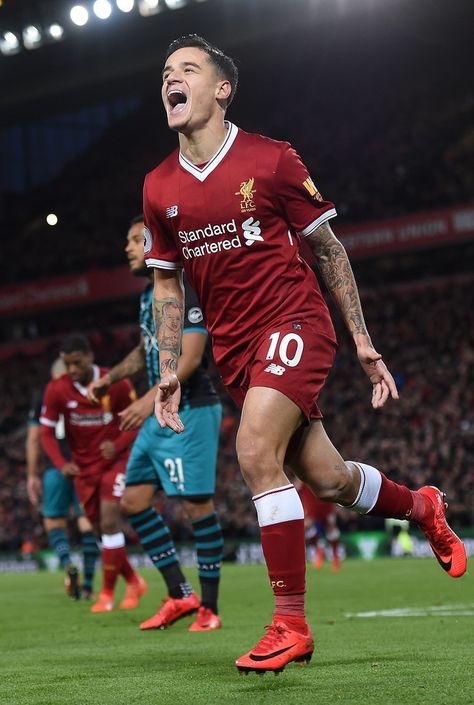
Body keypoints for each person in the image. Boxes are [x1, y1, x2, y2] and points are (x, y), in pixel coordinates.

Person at [143, 35, 467, 674]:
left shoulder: (271, 160)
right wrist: (167, 372)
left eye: (187, 69)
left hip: (295, 321)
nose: (170, 80)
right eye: (164, 73)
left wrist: (363, 342)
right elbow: (164, 284)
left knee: (255, 451)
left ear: (221, 88)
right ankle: (423, 505)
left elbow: (330, 251)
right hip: (236, 351)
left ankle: (290, 622)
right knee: (328, 478)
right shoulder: (157, 187)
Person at [88, 215, 223, 632]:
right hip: (159, 409)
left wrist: (148, 401)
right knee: (133, 501)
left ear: (153, 242)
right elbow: (145, 346)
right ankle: (181, 595)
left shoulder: (183, 288)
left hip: (190, 408)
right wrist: (111, 377)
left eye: (134, 240)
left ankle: (210, 609)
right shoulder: (149, 297)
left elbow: (192, 356)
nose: (128, 248)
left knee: (196, 505)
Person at [39, 334, 147, 613]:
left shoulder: (116, 383)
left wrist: (118, 444)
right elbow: (46, 432)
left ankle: (106, 594)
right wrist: (61, 463)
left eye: (77, 362)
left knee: (111, 521)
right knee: (100, 531)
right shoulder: (56, 389)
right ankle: (134, 581)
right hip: (83, 470)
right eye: (67, 364)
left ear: (89, 356)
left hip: (115, 463)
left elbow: (135, 422)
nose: (72, 369)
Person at [26, 357, 100, 599]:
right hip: (83, 465)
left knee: (54, 521)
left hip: (55, 467)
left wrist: (31, 475)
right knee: (86, 522)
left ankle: (68, 562)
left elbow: (35, 437)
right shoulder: (87, 389)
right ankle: (88, 585)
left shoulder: (44, 395)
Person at [298, 482, 341, 571]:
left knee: (331, 526)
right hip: (310, 497)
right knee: (306, 526)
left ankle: (335, 556)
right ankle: (318, 550)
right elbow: (297, 486)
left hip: (325, 497)